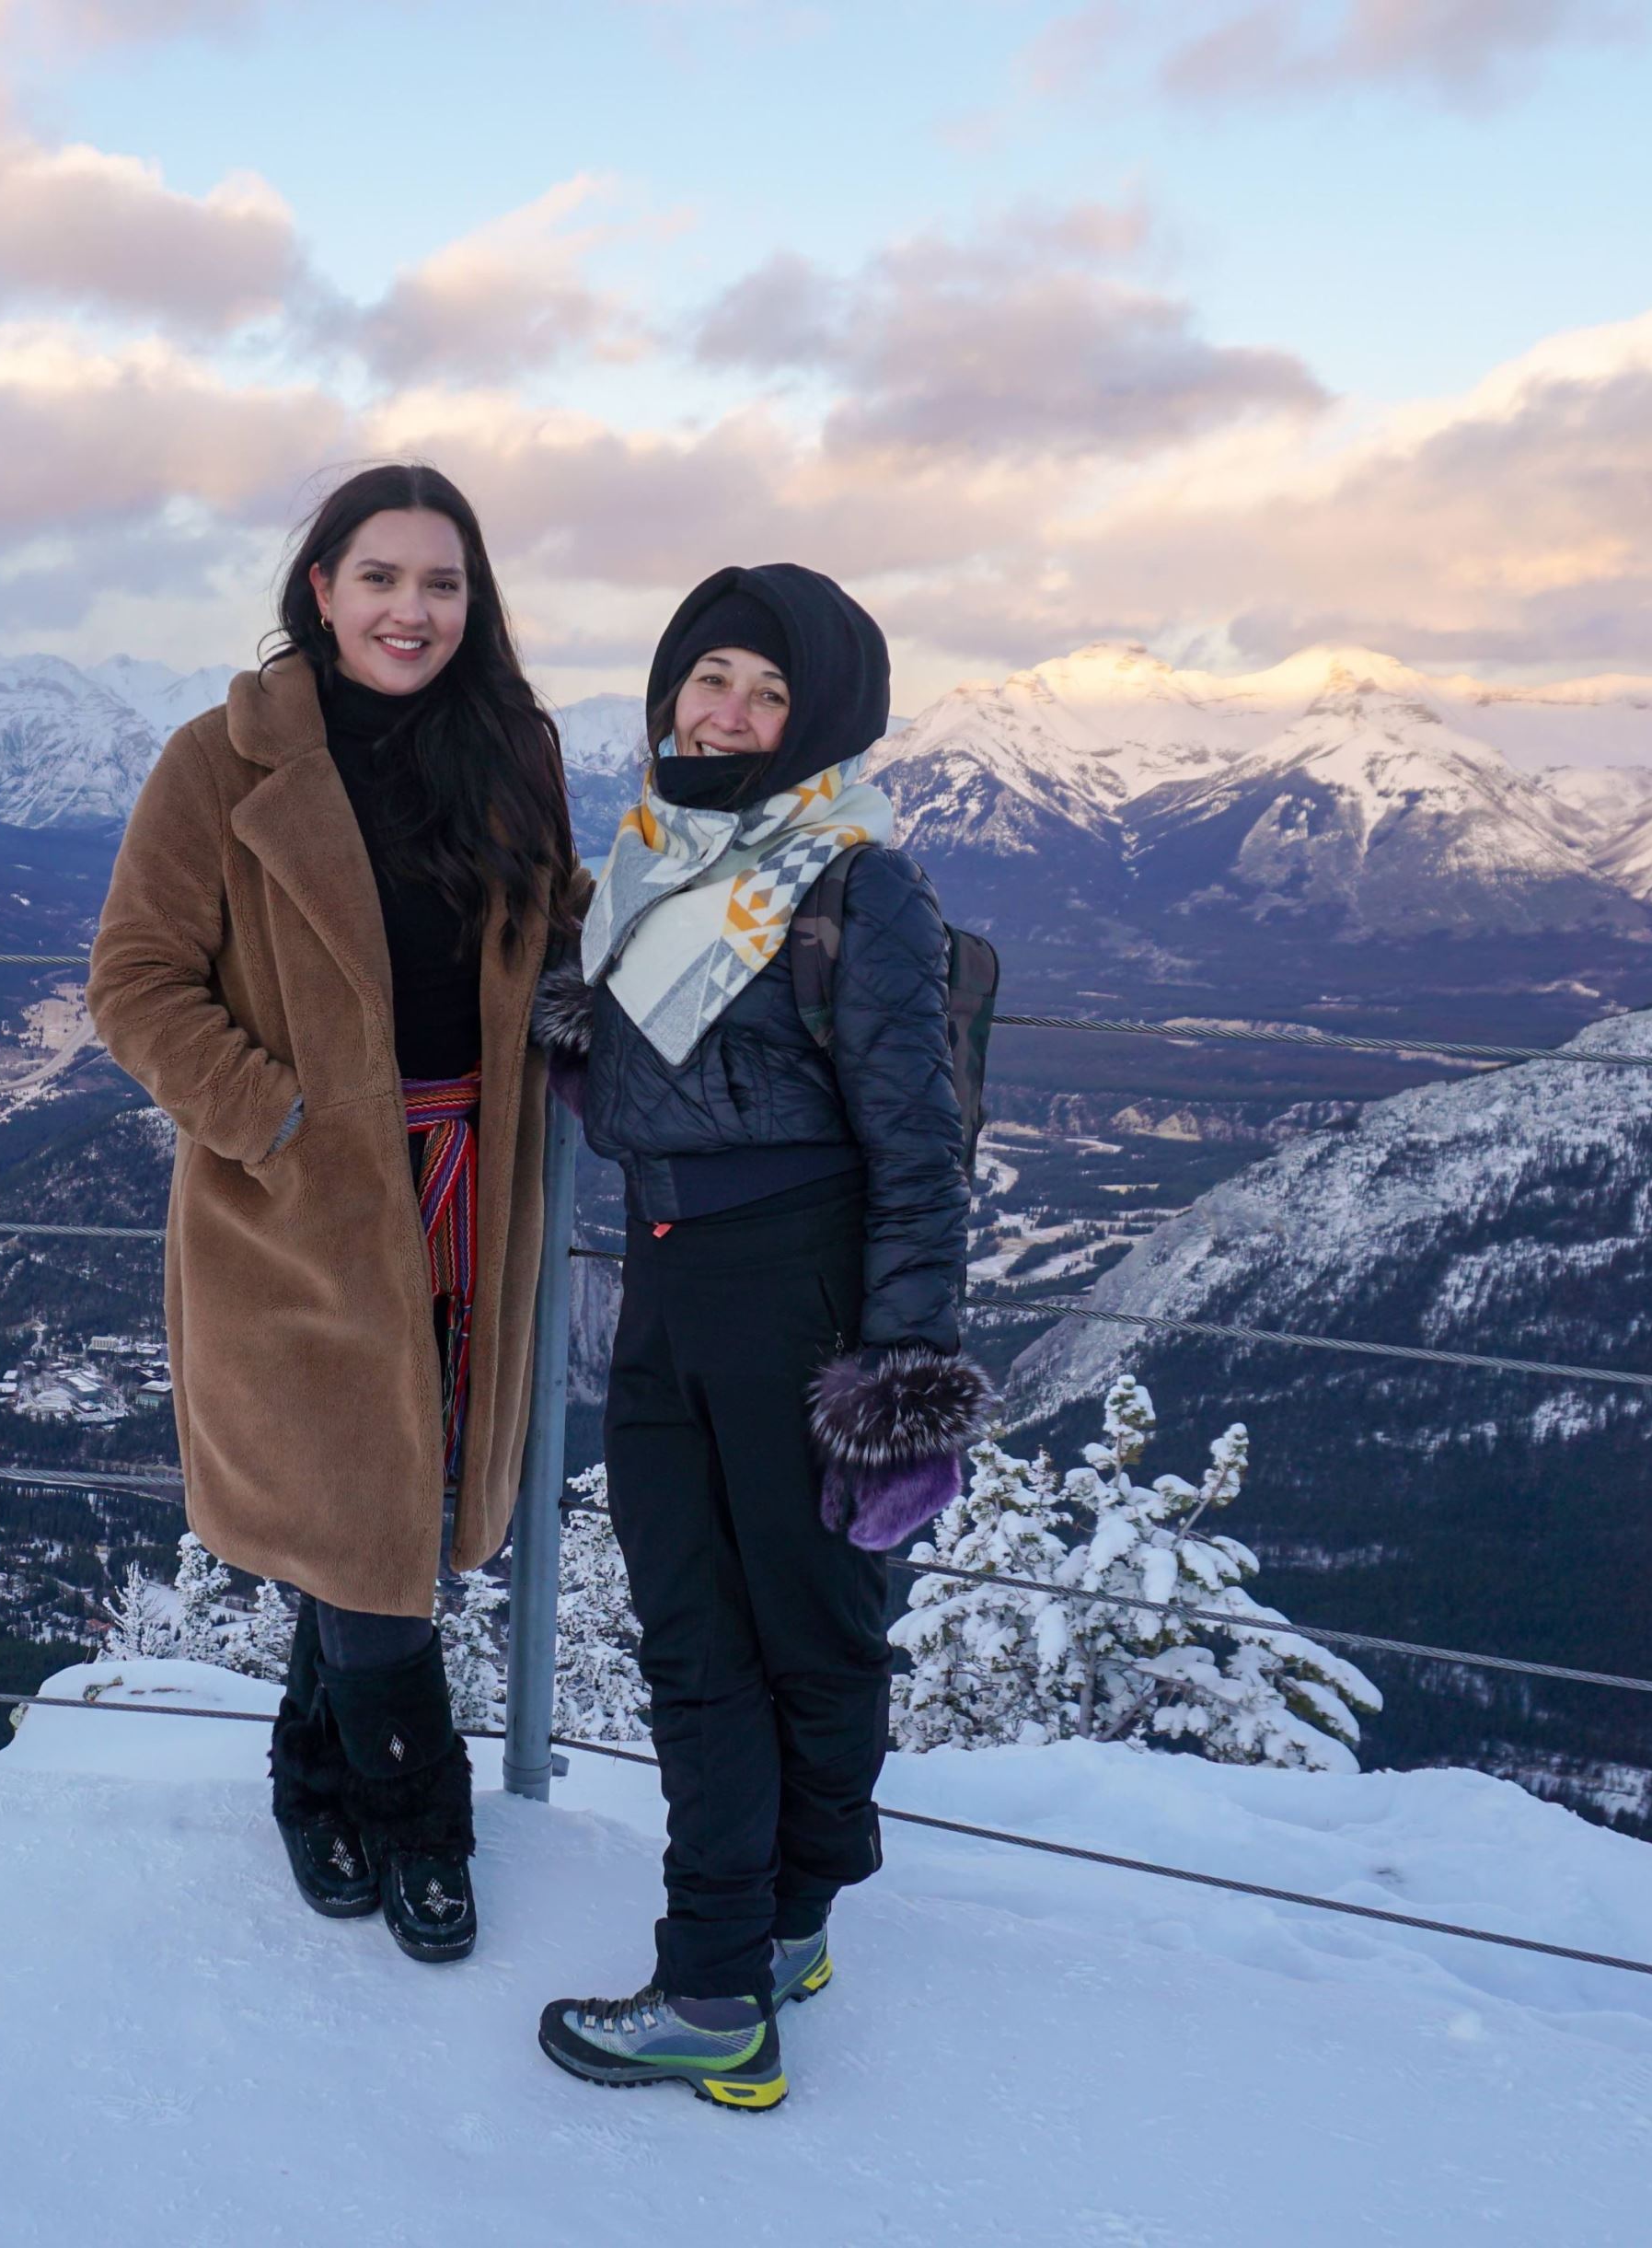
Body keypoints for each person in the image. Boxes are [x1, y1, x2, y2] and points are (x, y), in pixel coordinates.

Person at [87, 462, 576, 1964]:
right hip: (301, 1204)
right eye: (381, 578)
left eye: (442, 582)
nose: (412, 610)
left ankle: (310, 1781)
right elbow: (134, 982)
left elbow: (548, 934)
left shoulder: (513, 750)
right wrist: (275, 1119)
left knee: (377, 1503)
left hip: (470, 1192)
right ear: (321, 589)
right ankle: (426, 1822)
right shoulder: (217, 766)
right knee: (366, 1520)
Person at [527, 565, 990, 2109]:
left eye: (767, 693)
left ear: (821, 720)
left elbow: (918, 1151)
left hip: (792, 1286)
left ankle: (724, 1975)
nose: (724, 712)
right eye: (707, 677)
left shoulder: (856, 883)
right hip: (668, 1278)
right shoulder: (654, 864)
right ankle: (780, 1923)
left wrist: (905, 1381)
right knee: (696, 1624)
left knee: (793, 1626)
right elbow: (654, 1064)